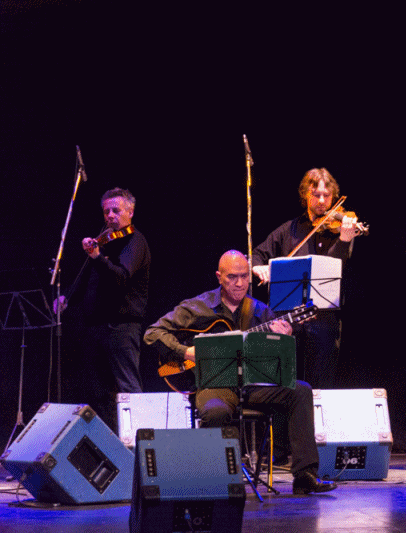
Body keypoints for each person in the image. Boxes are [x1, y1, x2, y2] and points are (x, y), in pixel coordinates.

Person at [143, 250, 336, 494]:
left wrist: (282, 339)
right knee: (214, 411)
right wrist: (187, 352)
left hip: (252, 384)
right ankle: (217, 480)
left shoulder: (260, 311)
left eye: (245, 276)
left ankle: (305, 475)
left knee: (300, 390)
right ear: (219, 277)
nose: (240, 283)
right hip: (214, 384)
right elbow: (152, 334)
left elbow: (276, 363)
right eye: (232, 277)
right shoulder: (197, 307)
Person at [251, 167, 361, 389]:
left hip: (324, 321)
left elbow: (337, 267)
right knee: (286, 385)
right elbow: (254, 255)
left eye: (327, 196)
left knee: (320, 387)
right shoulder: (288, 230)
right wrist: (257, 268)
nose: (322, 201)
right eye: (316, 195)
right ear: (305, 195)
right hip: (289, 321)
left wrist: (345, 240)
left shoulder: (341, 229)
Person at [55, 187, 150, 429]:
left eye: (115, 210)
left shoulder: (135, 241)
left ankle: (139, 443)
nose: (109, 215)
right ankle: (112, 447)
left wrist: (98, 256)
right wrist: (67, 297)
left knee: (127, 388)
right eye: (106, 211)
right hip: (97, 326)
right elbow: (86, 275)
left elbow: (120, 278)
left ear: (130, 212)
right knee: (100, 393)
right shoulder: (105, 241)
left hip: (122, 326)